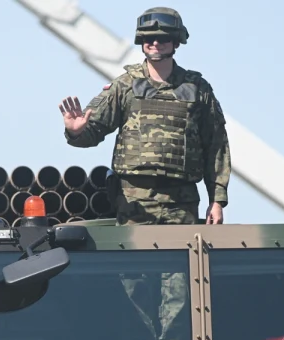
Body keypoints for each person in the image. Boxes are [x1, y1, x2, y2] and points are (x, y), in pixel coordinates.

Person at [60, 8, 231, 227]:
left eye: (163, 38)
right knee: (136, 261)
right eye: (149, 38)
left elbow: (216, 146)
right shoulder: (125, 86)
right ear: (141, 40)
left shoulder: (198, 89)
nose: (155, 43)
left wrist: (217, 201)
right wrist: (76, 131)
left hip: (181, 202)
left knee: (182, 259)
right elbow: (92, 132)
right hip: (134, 202)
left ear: (176, 42)